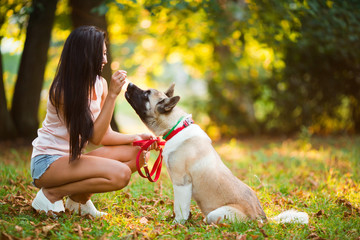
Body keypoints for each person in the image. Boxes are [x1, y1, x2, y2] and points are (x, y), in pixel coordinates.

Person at [30, 25, 156, 217]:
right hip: (48, 163)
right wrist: (113, 95)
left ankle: (78, 201)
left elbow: (105, 134)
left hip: (72, 160)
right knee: (120, 174)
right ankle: (51, 194)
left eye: (105, 53)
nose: (105, 60)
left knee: (140, 155)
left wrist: (138, 137)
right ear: (85, 55)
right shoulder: (63, 91)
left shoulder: (100, 84)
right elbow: (95, 137)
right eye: (101, 54)